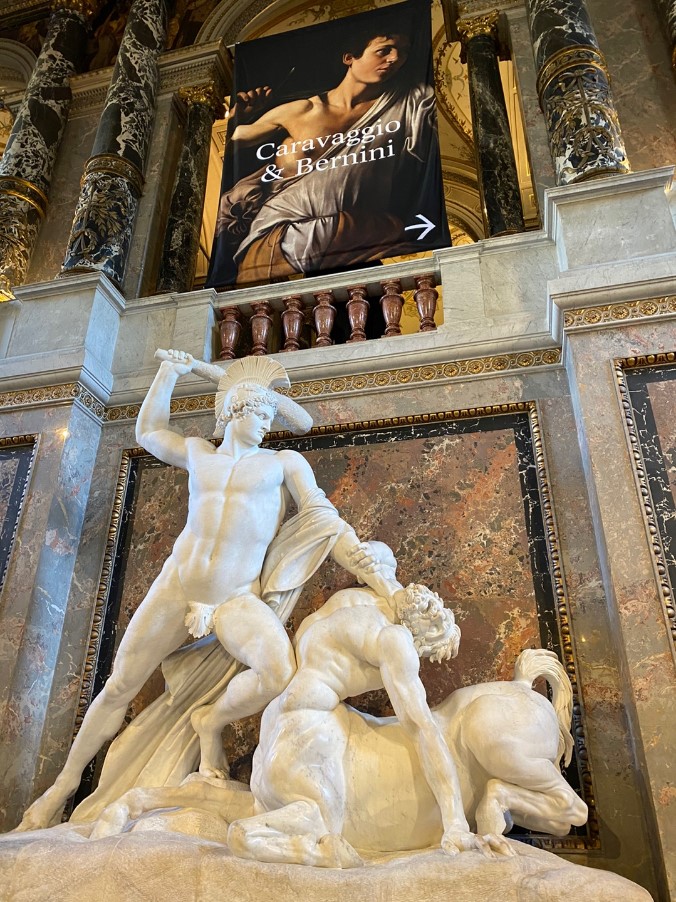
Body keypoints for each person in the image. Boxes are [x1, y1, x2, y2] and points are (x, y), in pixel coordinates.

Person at [16, 351, 401, 831]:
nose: (268, 425)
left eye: (270, 415)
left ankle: (210, 721)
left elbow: (324, 518)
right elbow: (148, 432)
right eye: (260, 414)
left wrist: (376, 573)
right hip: (178, 587)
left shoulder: (282, 463)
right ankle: (60, 790)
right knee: (119, 686)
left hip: (236, 597)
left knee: (278, 671)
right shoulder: (199, 452)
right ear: (235, 412)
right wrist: (168, 373)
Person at [88, 544, 514, 866]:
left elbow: (375, 556)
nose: (421, 659)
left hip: (284, 713)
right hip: (302, 720)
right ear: (422, 638)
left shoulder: (364, 599)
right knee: (305, 811)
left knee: (264, 804)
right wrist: (455, 822)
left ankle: (139, 799)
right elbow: (422, 727)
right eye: (428, 652)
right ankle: (170, 776)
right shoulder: (394, 639)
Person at [212, 19, 445, 285]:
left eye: (403, 52)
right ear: (349, 58)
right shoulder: (300, 111)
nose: (395, 59)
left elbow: (426, 157)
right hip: (280, 231)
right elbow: (235, 143)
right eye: (384, 50)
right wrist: (239, 117)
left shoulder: (410, 101)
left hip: (356, 233)